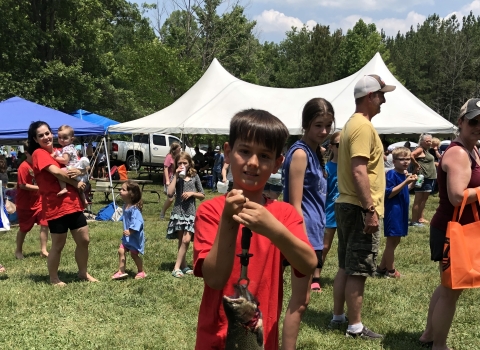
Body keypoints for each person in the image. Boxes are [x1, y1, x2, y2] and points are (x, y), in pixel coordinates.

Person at [193, 109, 316, 350]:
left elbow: (308, 264)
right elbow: (215, 279)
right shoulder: (210, 211)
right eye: (245, 151)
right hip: (214, 341)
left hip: (261, 340)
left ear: (277, 164)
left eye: (264, 155)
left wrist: (273, 229)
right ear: (228, 152)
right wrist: (228, 219)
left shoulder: (284, 214)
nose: (253, 163)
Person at [331, 74, 396, 339]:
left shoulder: (350, 125)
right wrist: (370, 210)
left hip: (347, 203)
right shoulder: (362, 126)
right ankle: (355, 327)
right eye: (381, 95)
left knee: (346, 265)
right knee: (358, 268)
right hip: (359, 207)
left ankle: (338, 316)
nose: (383, 101)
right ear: (369, 96)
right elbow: (360, 171)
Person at [419, 98, 480, 350]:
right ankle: (439, 345)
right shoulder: (457, 152)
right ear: (461, 122)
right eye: (474, 121)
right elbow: (457, 196)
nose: (478, 126)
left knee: (448, 287)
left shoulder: (472, 148)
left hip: (458, 230)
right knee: (451, 290)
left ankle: (429, 335)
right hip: (453, 231)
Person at [281, 98, 334, 348]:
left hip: (313, 233)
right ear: (306, 125)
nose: (324, 131)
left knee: (302, 300)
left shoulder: (315, 152)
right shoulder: (301, 153)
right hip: (300, 235)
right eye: (318, 125)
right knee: (299, 301)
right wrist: (300, 240)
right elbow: (294, 204)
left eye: (328, 125)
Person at [28, 121, 97, 286]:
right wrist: (76, 184)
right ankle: (53, 278)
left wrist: (81, 171)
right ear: (36, 139)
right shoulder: (39, 153)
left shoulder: (61, 151)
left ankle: (83, 273)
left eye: (47, 133)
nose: (46, 137)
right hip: (56, 206)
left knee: (84, 240)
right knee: (58, 245)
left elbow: (79, 166)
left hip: (72, 203)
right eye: (41, 135)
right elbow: (57, 172)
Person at [376, 147, 417, 278]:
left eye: (407, 159)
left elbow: (404, 189)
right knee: (391, 241)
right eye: (401, 159)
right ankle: (391, 271)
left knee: (396, 240)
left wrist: (412, 183)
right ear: (393, 161)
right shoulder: (391, 174)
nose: (405, 162)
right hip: (393, 210)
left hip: (402, 210)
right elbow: (389, 193)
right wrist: (406, 182)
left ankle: (382, 268)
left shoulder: (404, 174)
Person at [166, 152, 205, 278]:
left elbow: (202, 195)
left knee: (186, 240)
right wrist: (176, 176)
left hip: (190, 212)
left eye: (185, 163)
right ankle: (181, 266)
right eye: (180, 163)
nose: (182, 165)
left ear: (189, 164)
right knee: (181, 241)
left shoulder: (194, 176)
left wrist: (192, 193)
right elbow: (170, 193)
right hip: (178, 211)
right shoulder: (176, 177)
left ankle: (177, 266)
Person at [14, 141, 49, 260]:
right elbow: (23, 185)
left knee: (45, 224)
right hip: (25, 204)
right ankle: (18, 251)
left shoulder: (38, 165)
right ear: (27, 153)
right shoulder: (23, 167)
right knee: (24, 228)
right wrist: (40, 188)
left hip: (39, 201)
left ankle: (43, 250)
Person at [112, 180, 146, 280]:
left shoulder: (135, 209)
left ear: (131, 194)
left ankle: (141, 271)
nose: (120, 191)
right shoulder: (125, 206)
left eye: (123, 189)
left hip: (134, 237)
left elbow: (138, 222)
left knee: (134, 255)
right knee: (121, 250)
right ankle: (121, 271)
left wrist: (130, 231)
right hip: (127, 237)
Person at [53, 125, 89, 205]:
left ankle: (64, 188)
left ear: (71, 139)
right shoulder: (70, 148)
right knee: (79, 189)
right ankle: (84, 201)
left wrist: (55, 157)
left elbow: (65, 160)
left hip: (71, 168)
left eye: (65, 138)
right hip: (75, 170)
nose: (62, 140)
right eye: (59, 137)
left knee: (61, 172)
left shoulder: (67, 148)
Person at [322, 131, 341, 274]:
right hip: (329, 211)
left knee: (347, 246)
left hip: (347, 211)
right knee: (324, 246)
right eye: (339, 145)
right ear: (331, 147)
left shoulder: (353, 168)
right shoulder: (327, 168)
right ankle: (315, 276)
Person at [410, 133, 437, 227]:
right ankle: (414, 221)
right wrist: (416, 165)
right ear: (422, 141)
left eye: (430, 141)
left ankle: (420, 218)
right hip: (422, 178)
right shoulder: (420, 149)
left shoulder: (426, 150)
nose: (429, 143)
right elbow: (411, 155)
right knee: (418, 200)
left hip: (429, 178)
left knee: (423, 200)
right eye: (427, 141)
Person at [159, 142, 181, 219]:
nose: (180, 149)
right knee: (170, 198)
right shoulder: (169, 156)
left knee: (177, 197)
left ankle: (175, 213)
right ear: (175, 149)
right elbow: (165, 168)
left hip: (176, 178)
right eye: (179, 148)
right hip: (169, 179)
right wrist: (167, 181)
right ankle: (162, 212)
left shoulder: (177, 157)